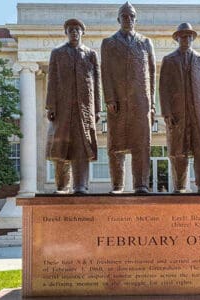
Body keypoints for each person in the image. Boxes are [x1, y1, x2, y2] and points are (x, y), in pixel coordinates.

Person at [101, 2, 156, 194]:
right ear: (118, 19)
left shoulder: (145, 42)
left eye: (131, 16)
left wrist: (152, 104)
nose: (128, 19)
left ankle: (141, 184)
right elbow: (105, 73)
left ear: (136, 19)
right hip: (118, 102)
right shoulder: (108, 43)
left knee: (142, 144)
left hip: (141, 102)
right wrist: (109, 99)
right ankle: (117, 185)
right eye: (124, 16)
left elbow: (152, 73)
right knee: (116, 145)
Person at [45, 18, 102, 194]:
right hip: (62, 109)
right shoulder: (57, 53)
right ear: (66, 32)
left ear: (82, 32)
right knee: (61, 146)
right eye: (70, 29)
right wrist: (50, 106)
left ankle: (81, 185)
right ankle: (62, 186)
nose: (74, 32)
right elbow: (52, 80)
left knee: (81, 148)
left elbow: (97, 83)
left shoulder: (91, 54)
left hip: (84, 111)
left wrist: (97, 109)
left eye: (77, 29)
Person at [159, 23, 200, 193]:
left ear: (193, 38)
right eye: (183, 36)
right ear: (177, 38)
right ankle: (180, 185)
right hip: (177, 114)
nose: (186, 39)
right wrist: (166, 112)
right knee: (178, 151)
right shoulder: (169, 60)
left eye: (189, 36)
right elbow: (163, 88)